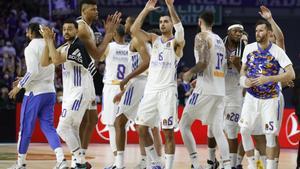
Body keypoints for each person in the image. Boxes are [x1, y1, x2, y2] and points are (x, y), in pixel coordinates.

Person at [132, 0, 185, 168]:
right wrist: (146, 9)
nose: (162, 24)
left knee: (168, 132)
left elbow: (181, 31)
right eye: (161, 21)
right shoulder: (154, 39)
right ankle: (155, 161)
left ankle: (168, 166)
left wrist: (170, 7)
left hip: (167, 92)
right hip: (150, 91)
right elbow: (133, 30)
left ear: (171, 24)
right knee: (141, 127)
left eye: (166, 21)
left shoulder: (176, 44)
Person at [40, 19, 100, 169]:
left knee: (62, 128)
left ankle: (79, 161)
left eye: (70, 29)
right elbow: (45, 62)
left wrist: (49, 40)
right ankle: (80, 161)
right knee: (72, 128)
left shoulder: (77, 46)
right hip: (70, 94)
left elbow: (55, 59)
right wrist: (48, 42)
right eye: (64, 29)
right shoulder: (67, 46)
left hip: (79, 92)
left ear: (76, 31)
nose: (66, 32)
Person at [7, 23, 66, 169]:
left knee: (26, 129)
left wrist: (19, 87)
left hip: (34, 93)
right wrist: (24, 78)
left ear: (31, 32)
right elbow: (40, 70)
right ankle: (61, 160)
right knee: (48, 127)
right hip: (50, 91)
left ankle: (20, 163)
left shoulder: (30, 48)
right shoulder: (49, 43)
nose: (26, 34)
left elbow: (33, 71)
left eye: (27, 31)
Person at [239, 19, 295, 169]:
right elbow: (243, 71)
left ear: (270, 33)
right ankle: (253, 164)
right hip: (251, 97)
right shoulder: (249, 49)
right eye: (256, 31)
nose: (258, 33)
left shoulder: (277, 50)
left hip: (271, 98)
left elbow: (291, 74)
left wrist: (269, 79)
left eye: (261, 31)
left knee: (271, 135)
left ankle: (270, 166)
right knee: (245, 130)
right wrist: (244, 81)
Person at [179, 11, 231, 169]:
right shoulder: (220, 41)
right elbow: (224, 67)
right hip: (219, 89)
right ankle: (227, 165)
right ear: (212, 23)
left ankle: (195, 163)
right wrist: (200, 77)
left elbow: (203, 62)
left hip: (206, 89)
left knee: (184, 124)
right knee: (217, 129)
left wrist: (189, 73)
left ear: (199, 21)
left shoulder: (201, 37)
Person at [76, 0, 121, 168]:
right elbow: (97, 54)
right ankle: (76, 159)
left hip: (88, 77)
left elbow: (97, 54)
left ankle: (80, 157)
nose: (97, 11)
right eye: (93, 9)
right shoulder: (81, 27)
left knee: (92, 119)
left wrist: (107, 33)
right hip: (78, 79)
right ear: (84, 10)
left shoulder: (90, 28)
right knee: (79, 121)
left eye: (97, 8)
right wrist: (109, 34)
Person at [113, 16, 162, 169]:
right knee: (142, 126)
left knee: (119, 122)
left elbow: (146, 62)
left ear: (133, 24)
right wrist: (125, 90)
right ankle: (155, 162)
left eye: (127, 22)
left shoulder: (136, 39)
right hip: (143, 84)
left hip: (140, 84)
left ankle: (119, 164)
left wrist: (127, 78)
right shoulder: (140, 40)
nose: (124, 25)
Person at [99, 24, 129, 169]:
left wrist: (105, 36)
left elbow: (97, 56)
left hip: (112, 87)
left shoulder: (109, 46)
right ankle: (120, 161)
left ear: (114, 33)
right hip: (126, 88)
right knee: (122, 126)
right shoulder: (131, 47)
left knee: (111, 125)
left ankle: (118, 162)